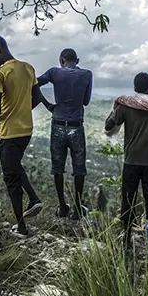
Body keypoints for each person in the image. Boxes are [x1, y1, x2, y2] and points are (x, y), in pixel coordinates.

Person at [0, 33, 44, 238]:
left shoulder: (0, 73)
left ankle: (21, 227)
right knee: (15, 167)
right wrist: (22, 110)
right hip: (26, 130)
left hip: (8, 132)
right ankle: (34, 198)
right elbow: (37, 98)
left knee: (11, 178)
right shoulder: (28, 68)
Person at [104, 72, 148, 250]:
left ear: (135, 89)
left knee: (128, 200)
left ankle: (126, 240)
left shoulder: (126, 106)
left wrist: (115, 109)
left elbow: (109, 126)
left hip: (131, 161)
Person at [37, 48, 93, 221]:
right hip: (76, 126)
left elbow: (33, 84)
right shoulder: (87, 74)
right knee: (79, 169)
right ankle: (77, 209)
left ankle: (62, 206)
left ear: (61, 60)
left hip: (58, 125)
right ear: (77, 60)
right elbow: (86, 101)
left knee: (57, 168)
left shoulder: (54, 72)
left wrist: (47, 104)